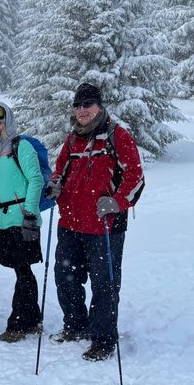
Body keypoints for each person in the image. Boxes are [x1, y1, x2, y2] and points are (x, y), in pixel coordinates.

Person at [45, 82, 144, 362]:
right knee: (66, 279)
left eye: (87, 104)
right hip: (70, 223)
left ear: (99, 107)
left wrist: (118, 201)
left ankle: (103, 339)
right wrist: (55, 187)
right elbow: (59, 173)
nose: (81, 110)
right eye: (77, 105)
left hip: (104, 227)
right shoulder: (72, 140)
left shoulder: (117, 136)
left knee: (105, 285)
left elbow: (135, 178)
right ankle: (76, 326)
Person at [0, 101, 44, 343]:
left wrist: (29, 213)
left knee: (22, 270)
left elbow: (36, 180)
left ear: (8, 122)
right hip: (3, 219)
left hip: (22, 218)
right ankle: (33, 319)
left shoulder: (20, 146)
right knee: (21, 270)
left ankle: (17, 324)